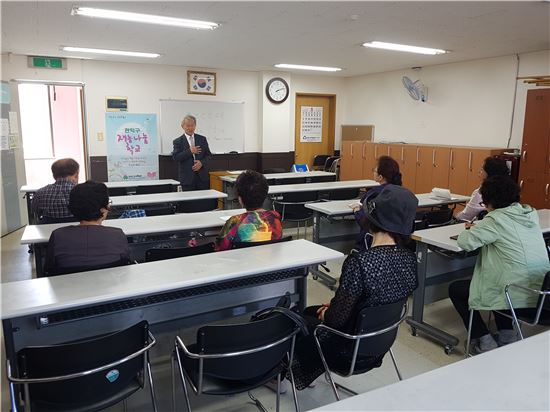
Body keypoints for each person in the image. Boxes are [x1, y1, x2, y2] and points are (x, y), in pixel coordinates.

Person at [289, 185, 418, 390]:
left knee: (299, 320)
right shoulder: (409, 259)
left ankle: (293, 375)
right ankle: (308, 370)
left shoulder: (360, 263)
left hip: (348, 350)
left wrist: (329, 311)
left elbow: (335, 320)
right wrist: (336, 307)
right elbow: (377, 301)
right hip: (379, 344)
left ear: (371, 219)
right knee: (312, 312)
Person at [448, 175, 550, 353]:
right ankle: (507, 334)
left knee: (458, 289)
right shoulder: (529, 214)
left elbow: (465, 242)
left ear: (488, 202)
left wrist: (471, 229)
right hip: (542, 293)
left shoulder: (495, 220)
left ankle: (484, 340)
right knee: (498, 278)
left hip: (517, 294)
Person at [44, 181, 130, 274]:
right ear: (103, 209)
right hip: (110, 285)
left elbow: (49, 268)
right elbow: (125, 264)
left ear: (73, 208)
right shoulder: (117, 234)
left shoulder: (58, 236)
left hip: (68, 287)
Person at [216, 170, 282, 251]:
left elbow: (220, 248)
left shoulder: (234, 222)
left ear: (240, 199)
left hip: (241, 262)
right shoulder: (275, 217)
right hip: (269, 261)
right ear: (265, 195)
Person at [350, 155, 402, 251]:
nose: (373, 172)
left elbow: (364, 220)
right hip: (396, 241)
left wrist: (357, 210)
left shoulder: (374, 194)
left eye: (374, 170)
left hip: (373, 241)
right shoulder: (402, 192)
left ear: (380, 177)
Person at [455, 157, 509, 222]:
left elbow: (467, 215)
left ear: (489, 173)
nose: (479, 171)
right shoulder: (509, 190)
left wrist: (455, 216)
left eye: (482, 169)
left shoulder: (482, 192)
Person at [31, 158, 79, 223]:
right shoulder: (84, 192)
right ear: (76, 174)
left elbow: (34, 210)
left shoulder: (40, 192)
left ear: (54, 176)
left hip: (48, 231)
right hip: (78, 230)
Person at [172, 115, 212, 191]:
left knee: (203, 201)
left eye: (192, 125)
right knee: (188, 202)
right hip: (187, 179)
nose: (190, 128)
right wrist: (189, 151)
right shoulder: (178, 141)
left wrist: (201, 163)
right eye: (188, 126)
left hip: (202, 178)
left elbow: (209, 156)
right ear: (182, 126)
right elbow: (176, 157)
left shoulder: (202, 139)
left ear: (195, 126)